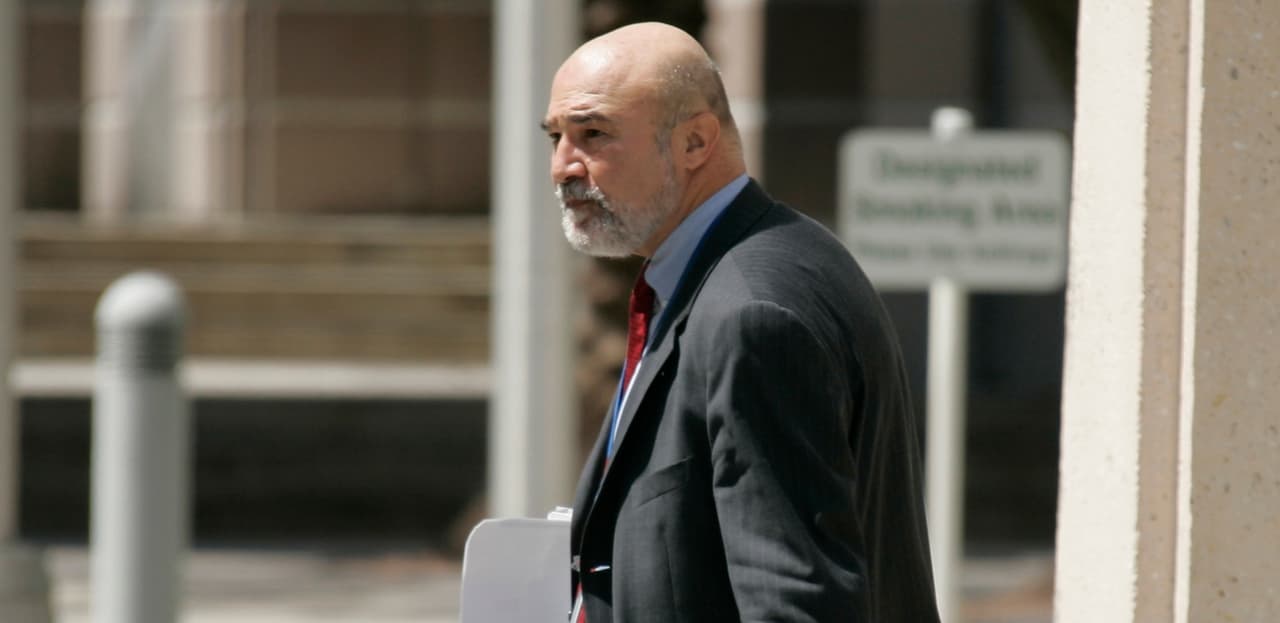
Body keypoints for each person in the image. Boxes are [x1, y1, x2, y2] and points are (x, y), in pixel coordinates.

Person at [543, 22, 940, 622]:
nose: (563, 167)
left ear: (695, 142)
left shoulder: (752, 312)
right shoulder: (738, 268)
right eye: (556, 138)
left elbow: (795, 599)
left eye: (593, 133)